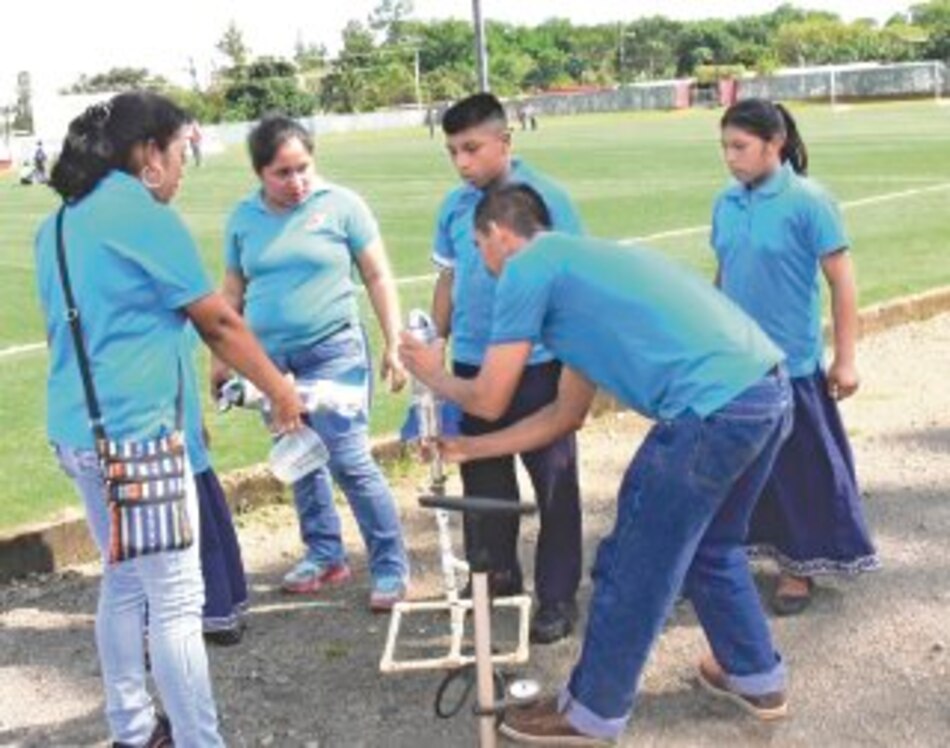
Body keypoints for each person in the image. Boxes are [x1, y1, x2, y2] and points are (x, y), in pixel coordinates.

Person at [400, 184, 794, 745]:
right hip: (767, 394)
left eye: (476, 246)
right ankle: (757, 676)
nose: (477, 265)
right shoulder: (581, 274)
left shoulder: (525, 265)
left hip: (711, 411)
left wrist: (431, 372)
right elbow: (565, 414)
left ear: (499, 235)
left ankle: (589, 715)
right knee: (713, 546)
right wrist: (469, 449)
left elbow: (488, 398)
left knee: (632, 564)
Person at [35, 92, 303, 747]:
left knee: (124, 581)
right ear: (147, 155)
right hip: (139, 439)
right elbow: (215, 320)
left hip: (79, 432)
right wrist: (279, 391)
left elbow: (81, 336)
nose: (184, 165)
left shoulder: (58, 226)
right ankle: (197, 740)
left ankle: (132, 729)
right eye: (180, 150)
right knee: (178, 601)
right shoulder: (141, 215)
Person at [211, 114, 410, 612]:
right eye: (282, 172)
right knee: (297, 456)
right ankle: (325, 554)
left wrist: (394, 342)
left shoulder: (342, 206)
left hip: (334, 348)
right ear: (259, 173)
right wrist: (220, 358)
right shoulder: (242, 218)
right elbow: (232, 290)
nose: (296, 181)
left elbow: (378, 276)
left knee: (348, 457)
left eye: (303, 167)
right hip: (266, 360)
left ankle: (389, 565)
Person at [712, 98, 879, 615]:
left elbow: (842, 281)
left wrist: (845, 359)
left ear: (774, 144)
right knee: (738, 469)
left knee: (800, 469)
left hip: (793, 364)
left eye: (739, 147)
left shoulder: (810, 201)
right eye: (724, 147)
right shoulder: (726, 202)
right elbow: (723, 276)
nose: (730, 158)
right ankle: (737, 553)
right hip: (736, 364)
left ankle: (797, 569)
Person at [431, 92, 584, 644]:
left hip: (539, 365)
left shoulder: (547, 200)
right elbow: (448, 278)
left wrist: (571, 363)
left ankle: (558, 597)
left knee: (555, 486)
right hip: (474, 363)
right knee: (486, 486)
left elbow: (573, 280)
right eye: (452, 151)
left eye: (471, 148)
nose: (462, 162)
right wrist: (437, 338)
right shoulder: (453, 207)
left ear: (504, 141)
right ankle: (498, 577)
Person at [182, 329, 249, 646]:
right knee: (208, 527)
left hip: (166, 439)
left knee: (199, 531)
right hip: (182, 433)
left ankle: (215, 611)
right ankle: (222, 606)